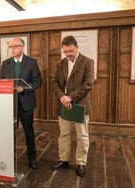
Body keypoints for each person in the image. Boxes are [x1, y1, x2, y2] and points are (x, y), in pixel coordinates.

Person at [51, 35, 95, 177]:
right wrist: (62, 97)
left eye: (71, 50)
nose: (69, 54)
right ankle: (64, 160)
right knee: (64, 134)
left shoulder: (88, 62)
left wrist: (71, 97)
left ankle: (81, 162)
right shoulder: (61, 63)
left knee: (82, 135)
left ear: (77, 47)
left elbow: (88, 84)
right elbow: (55, 82)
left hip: (79, 104)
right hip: (64, 104)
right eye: (66, 51)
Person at [0, 37, 42, 169]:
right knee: (9, 132)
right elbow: (1, 82)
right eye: (11, 47)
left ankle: (31, 157)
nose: (12, 49)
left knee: (28, 131)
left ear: (22, 47)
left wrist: (24, 88)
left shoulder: (31, 62)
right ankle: (9, 157)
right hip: (9, 103)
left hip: (26, 102)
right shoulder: (5, 63)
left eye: (15, 46)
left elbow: (37, 81)